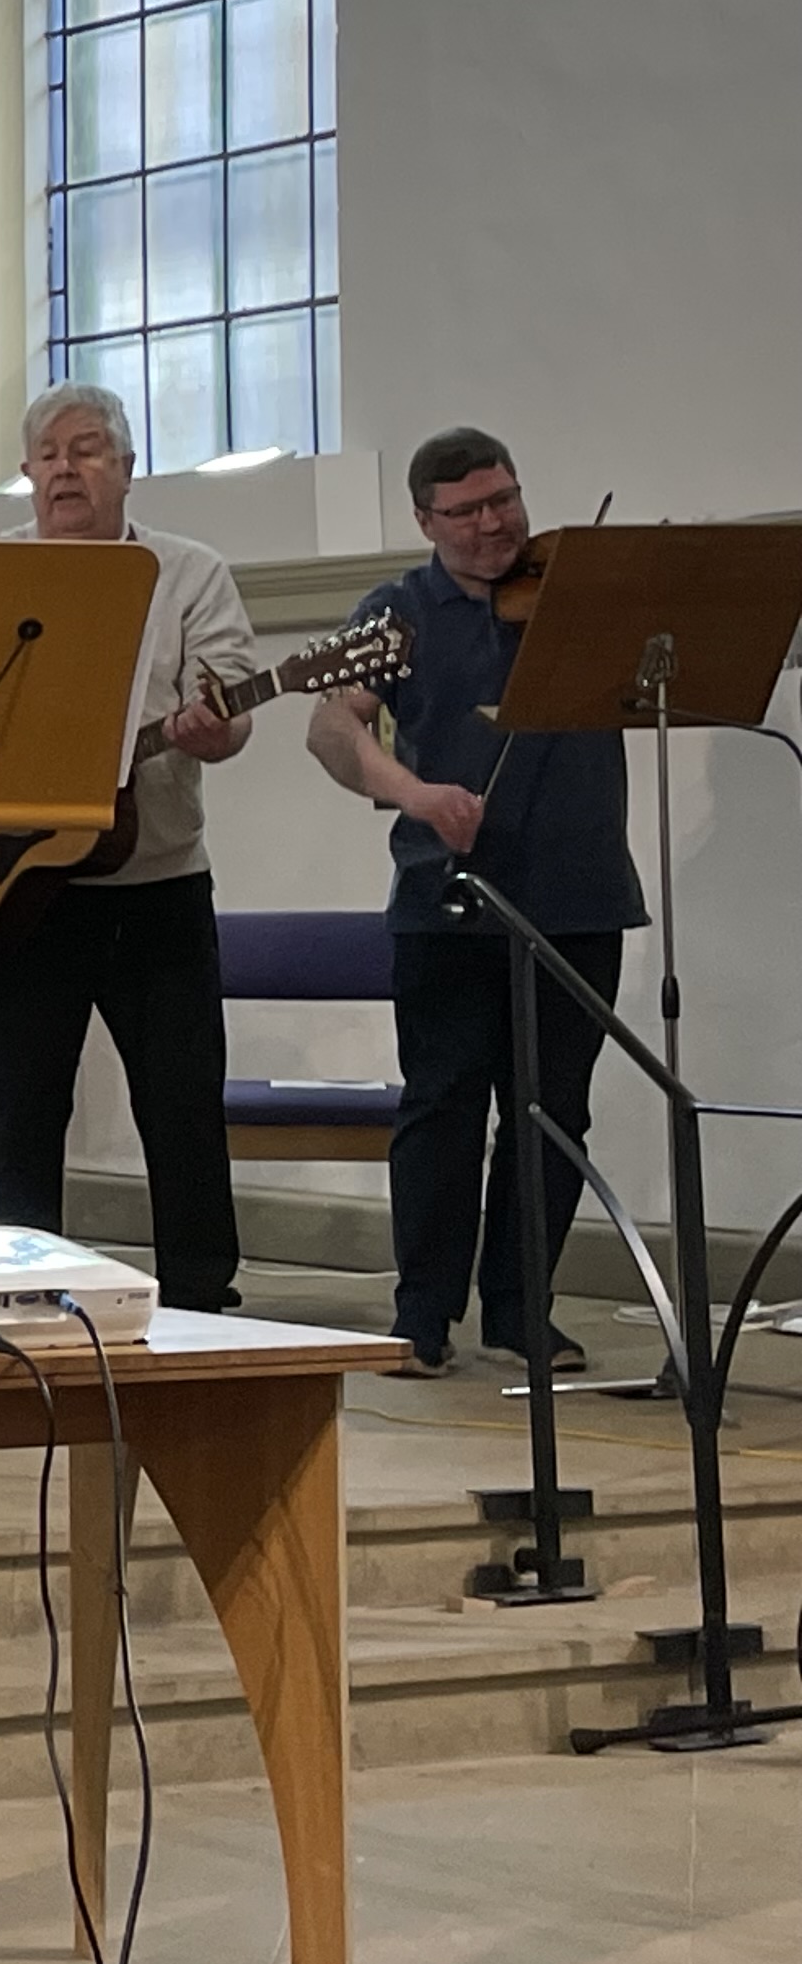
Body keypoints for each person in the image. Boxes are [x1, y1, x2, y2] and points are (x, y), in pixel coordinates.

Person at [305, 428, 640, 1378]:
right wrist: (417, 794)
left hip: (580, 893)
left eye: (505, 500)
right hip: (447, 898)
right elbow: (331, 731)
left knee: (554, 1114)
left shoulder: (574, 592)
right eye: (468, 511)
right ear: (425, 521)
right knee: (443, 1108)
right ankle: (422, 1315)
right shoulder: (396, 611)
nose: (495, 524)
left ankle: (521, 1309)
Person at [0, 381, 255, 1315]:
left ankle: (202, 1301)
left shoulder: (189, 572)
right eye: (46, 454)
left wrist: (218, 728)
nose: (64, 468)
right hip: (13, 884)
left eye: (86, 449)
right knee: (19, 1110)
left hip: (155, 883)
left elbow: (234, 694)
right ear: (26, 476)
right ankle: (17, 1294)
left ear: (127, 469)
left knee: (180, 1106)